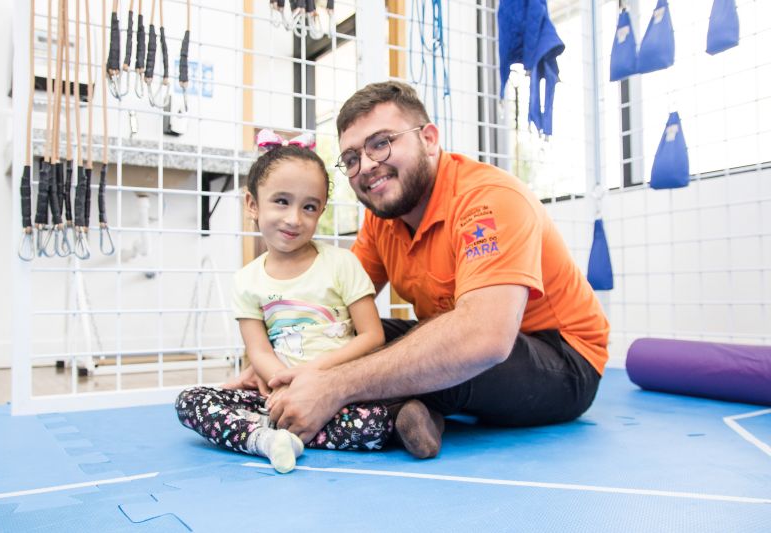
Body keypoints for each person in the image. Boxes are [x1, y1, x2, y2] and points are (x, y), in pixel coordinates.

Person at [263, 81, 610, 449]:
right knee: (343, 335)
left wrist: (334, 384)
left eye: (381, 144)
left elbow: (484, 338)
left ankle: (391, 408)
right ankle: (410, 412)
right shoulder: (383, 221)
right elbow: (333, 311)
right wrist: (279, 360)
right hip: (469, 340)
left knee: (451, 347)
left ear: (429, 139)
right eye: (351, 159)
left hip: (562, 362)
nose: (366, 166)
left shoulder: (489, 200)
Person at [176, 138, 399, 473]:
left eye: (309, 207)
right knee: (190, 402)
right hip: (279, 396)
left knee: (379, 416)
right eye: (282, 202)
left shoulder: (342, 264)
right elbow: (259, 351)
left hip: (339, 394)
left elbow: (371, 336)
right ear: (252, 204)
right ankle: (266, 439)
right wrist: (282, 384)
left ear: (321, 211)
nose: (294, 219)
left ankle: (290, 431)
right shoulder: (247, 281)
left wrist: (314, 377)